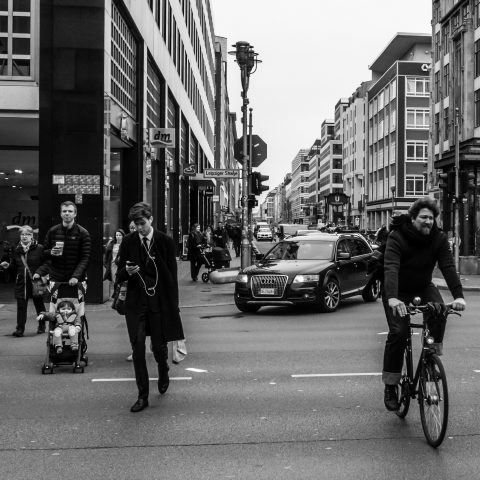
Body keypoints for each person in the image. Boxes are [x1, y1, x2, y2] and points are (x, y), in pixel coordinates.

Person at [381, 197, 466, 411]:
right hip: (398, 290)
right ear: (413, 218)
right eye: (424, 217)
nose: (428, 221)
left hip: (423, 286)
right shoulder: (397, 236)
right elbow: (391, 267)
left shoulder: (438, 238)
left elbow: (448, 267)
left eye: (431, 218)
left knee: (440, 312)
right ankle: (390, 385)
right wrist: (393, 298)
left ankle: (430, 358)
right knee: (399, 333)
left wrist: (458, 296)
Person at [116, 202, 184, 413]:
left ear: (151, 219)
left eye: (142, 223)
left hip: (158, 303)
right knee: (137, 350)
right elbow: (118, 274)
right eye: (136, 224)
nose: (139, 228)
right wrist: (127, 271)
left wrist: (173, 306)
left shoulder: (165, 241)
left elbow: (172, 277)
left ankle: (163, 369)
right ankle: (142, 396)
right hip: (136, 304)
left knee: (159, 347)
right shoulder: (128, 241)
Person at [0, 226, 47, 337]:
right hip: (21, 282)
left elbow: (47, 263)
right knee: (21, 306)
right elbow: (14, 266)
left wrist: (39, 272)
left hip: (37, 281)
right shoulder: (16, 249)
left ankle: (42, 325)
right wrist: (8, 266)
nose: (25, 236)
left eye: (27, 234)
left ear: (32, 236)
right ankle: (20, 329)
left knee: (39, 304)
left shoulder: (39, 248)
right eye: (22, 234)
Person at [39, 201, 91, 287]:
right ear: (61, 214)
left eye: (70, 211)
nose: (67, 213)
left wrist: (75, 276)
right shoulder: (52, 231)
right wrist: (51, 252)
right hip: (55, 278)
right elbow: (43, 254)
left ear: (75, 214)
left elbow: (85, 258)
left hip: (77, 279)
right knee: (54, 297)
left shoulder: (83, 233)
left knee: (75, 297)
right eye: (64, 211)